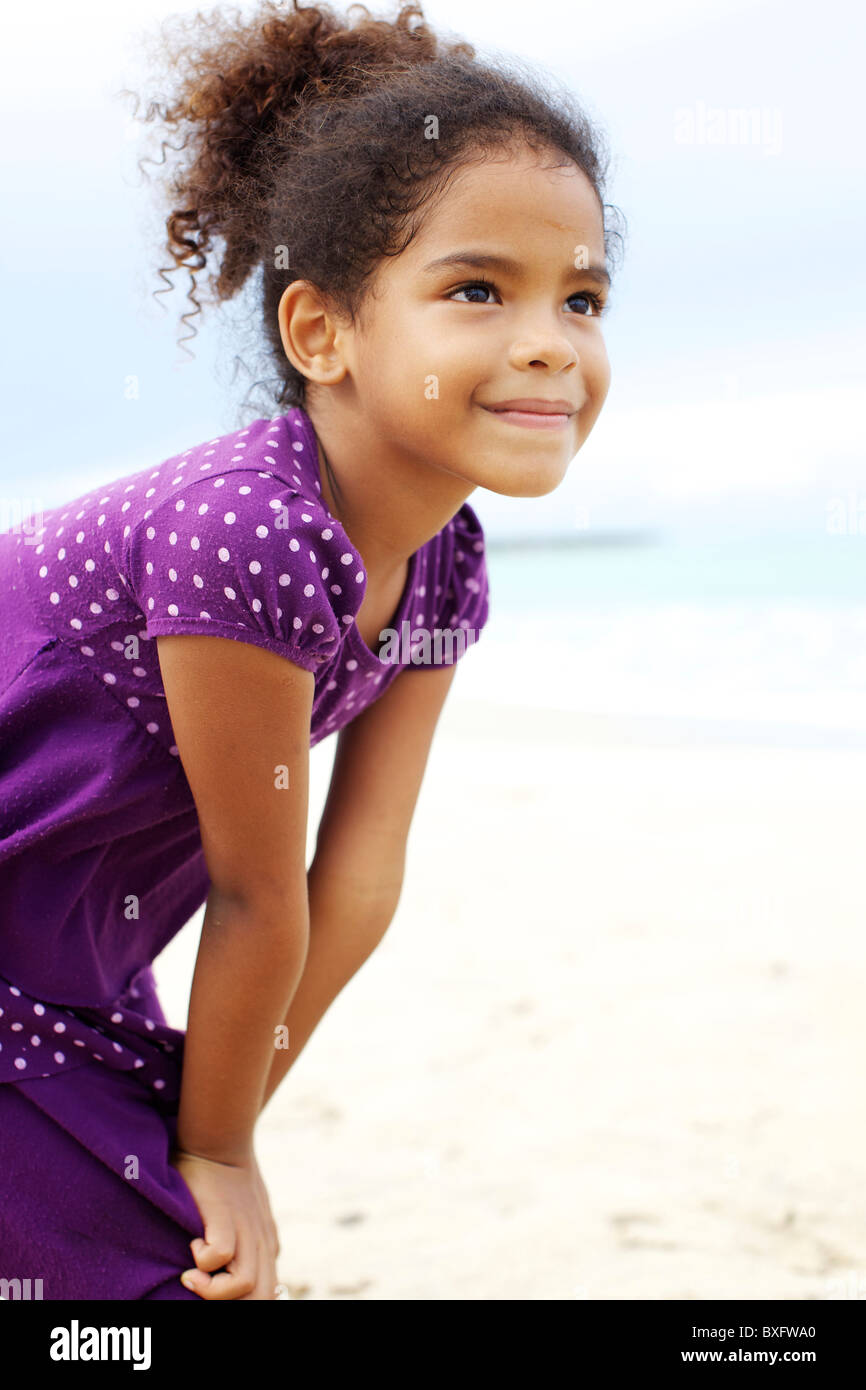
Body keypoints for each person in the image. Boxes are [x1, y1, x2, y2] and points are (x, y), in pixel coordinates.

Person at [0, 0, 622, 1300]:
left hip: (69, 964)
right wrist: (215, 1149)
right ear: (320, 333)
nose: (548, 341)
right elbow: (256, 886)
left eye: (582, 295)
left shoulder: (446, 561)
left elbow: (355, 877)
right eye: (476, 289)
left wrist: (217, 1135)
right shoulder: (246, 533)